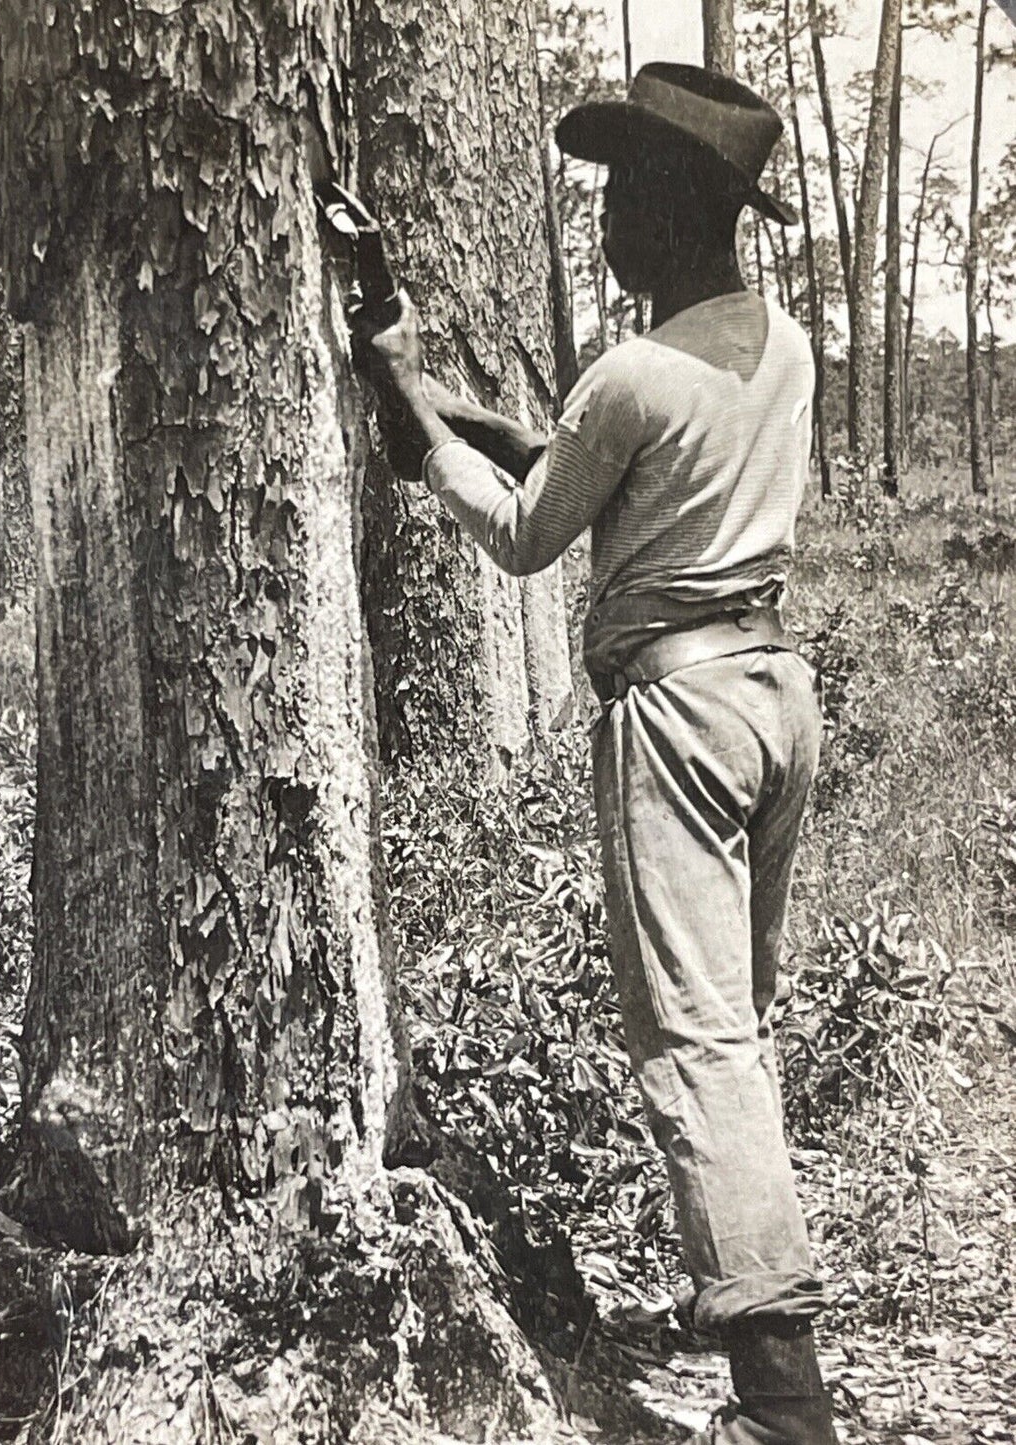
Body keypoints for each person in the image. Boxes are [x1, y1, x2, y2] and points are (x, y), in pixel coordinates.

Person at [350, 63, 836, 1445]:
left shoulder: (627, 376)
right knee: (738, 1018)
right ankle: (769, 1318)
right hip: (771, 695)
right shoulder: (777, 345)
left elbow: (522, 533)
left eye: (626, 191)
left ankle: (780, 1400)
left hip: (677, 714)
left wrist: (397, 388)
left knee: (696, 1041)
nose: (607, 217)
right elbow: (619, 456)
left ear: (680, 209)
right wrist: (448, 398)